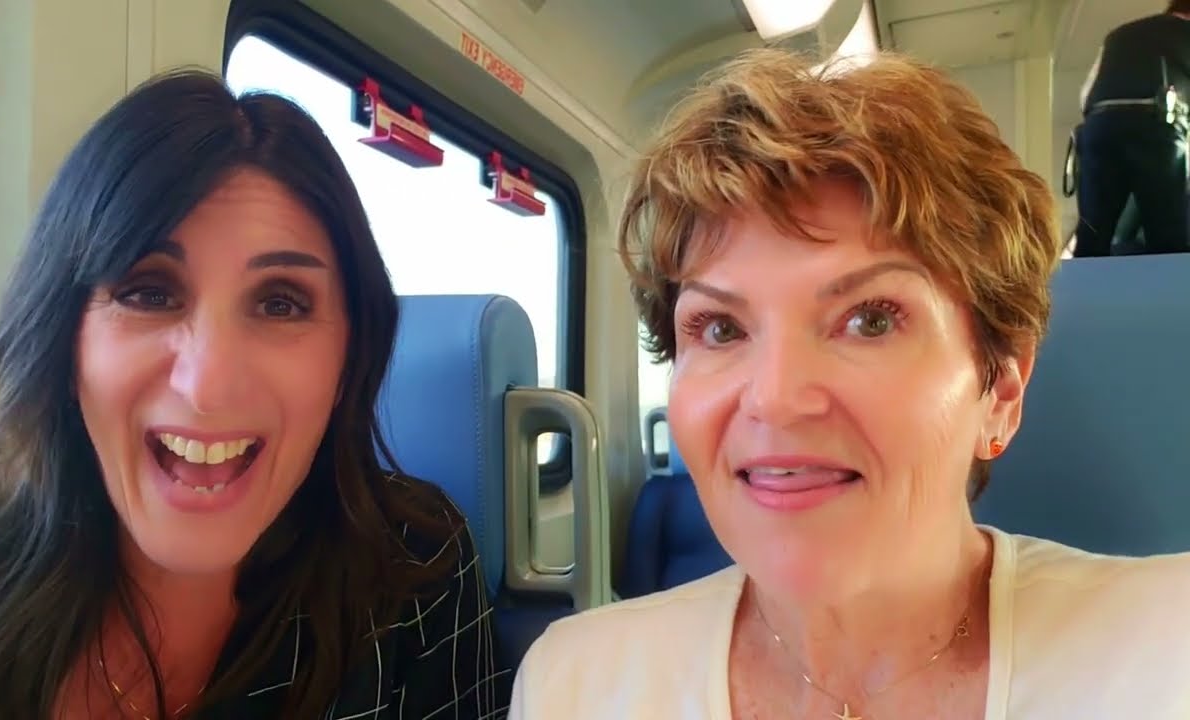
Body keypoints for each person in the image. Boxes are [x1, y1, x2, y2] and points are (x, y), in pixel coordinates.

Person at [510, 48, 1190, 719]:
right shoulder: (574, 685)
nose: (774, 398)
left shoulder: (1169, 651)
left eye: (869, 319)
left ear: (1001, 390)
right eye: (720, 328)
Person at [0, 70, 509, 719]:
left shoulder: (416, 577)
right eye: (150, 293)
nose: (207, 386)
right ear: (65, 340)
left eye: (280, 304)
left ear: (347, 364)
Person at [1073, 0, 1190, 257]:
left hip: (1099, 128)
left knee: (1092, 230)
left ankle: (1082, 292)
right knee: (1168, 234)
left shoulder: (1119, 34)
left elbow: (1085, 95)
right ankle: (1171, 293)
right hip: (1157, 127)